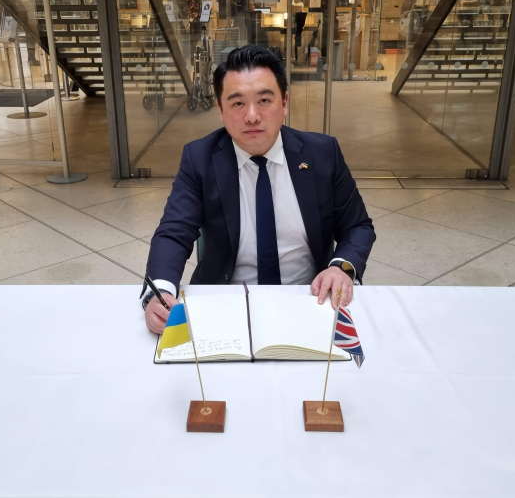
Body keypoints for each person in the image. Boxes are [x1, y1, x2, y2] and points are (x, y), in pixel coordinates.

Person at [142, 45, 375, 334]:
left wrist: (341, 268)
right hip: (226, 301)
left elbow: (357, 226)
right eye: (238, 103)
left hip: (309, 299)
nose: (252, 116)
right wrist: (160, 291)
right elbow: (173, 233)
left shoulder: (322, 154)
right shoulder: (199, 159)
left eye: (264, 100)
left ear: (285, 103)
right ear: (221, 110)